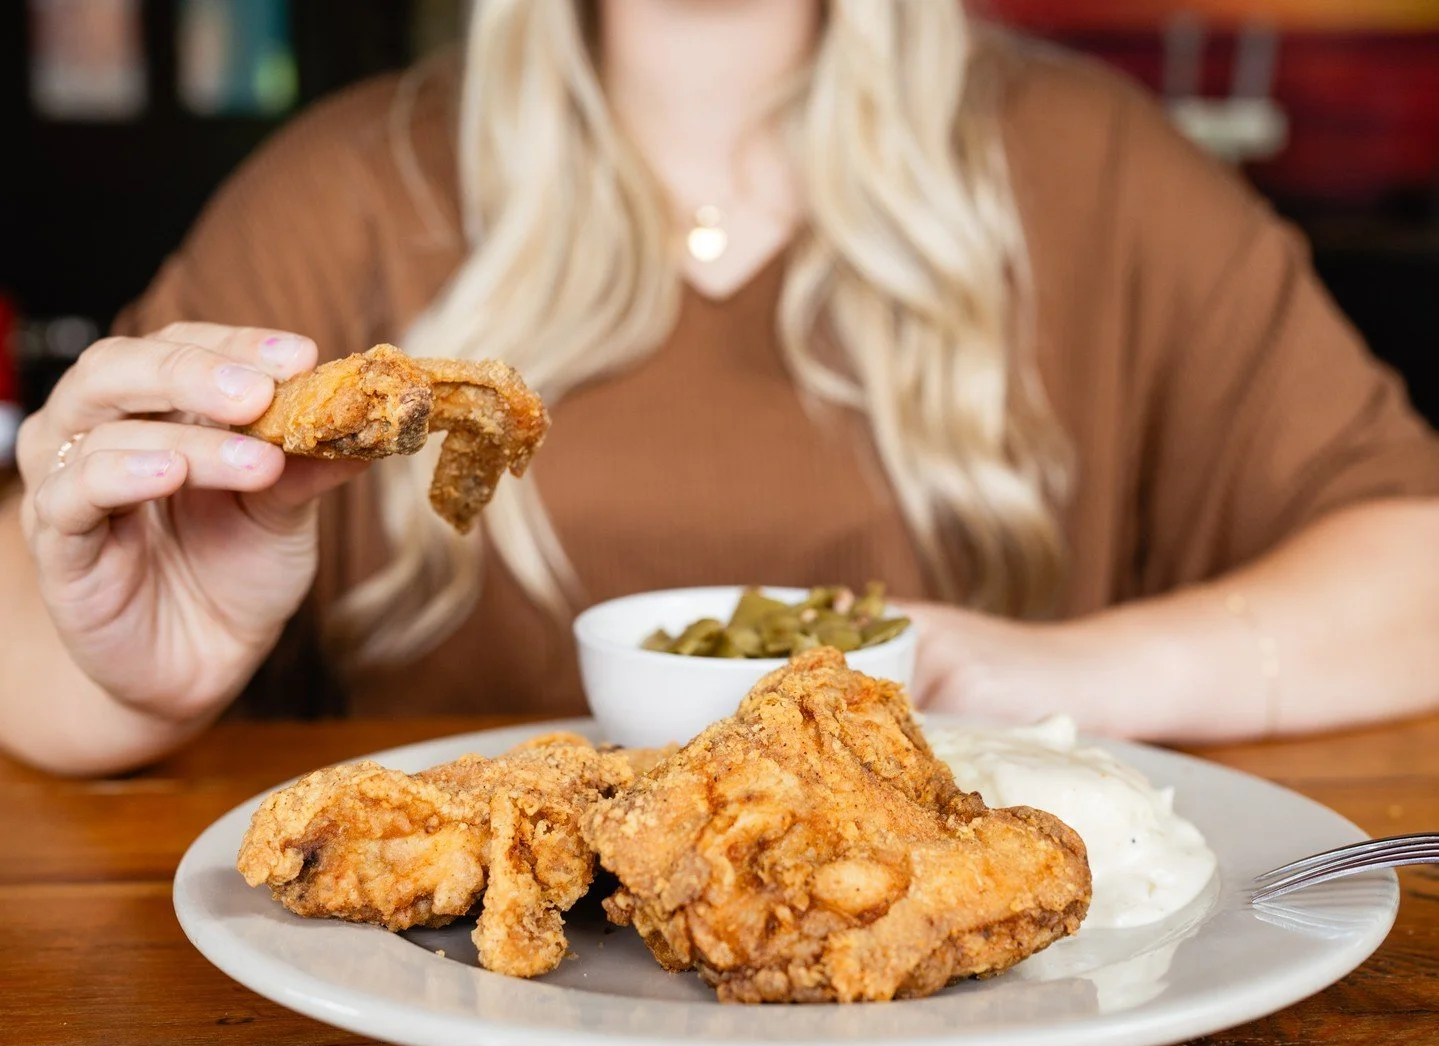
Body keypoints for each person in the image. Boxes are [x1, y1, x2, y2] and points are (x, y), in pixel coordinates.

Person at [3, 0, 1438, 777]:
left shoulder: (1095, 170)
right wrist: (118, 677)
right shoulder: (339, 193)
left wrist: (1052, 672)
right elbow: (40, 635)